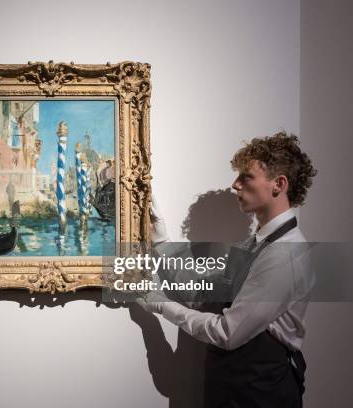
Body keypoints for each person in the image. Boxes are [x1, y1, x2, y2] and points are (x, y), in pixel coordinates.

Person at [136, 131, 317, 407]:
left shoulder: (285, 255)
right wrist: (160, 242)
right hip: (235, 389)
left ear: (278, 184)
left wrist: (161, 306)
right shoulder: (253, 244)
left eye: (246, 177)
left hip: (261, 396)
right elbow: (204, 295)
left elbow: (227, 332)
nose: (235, 184)